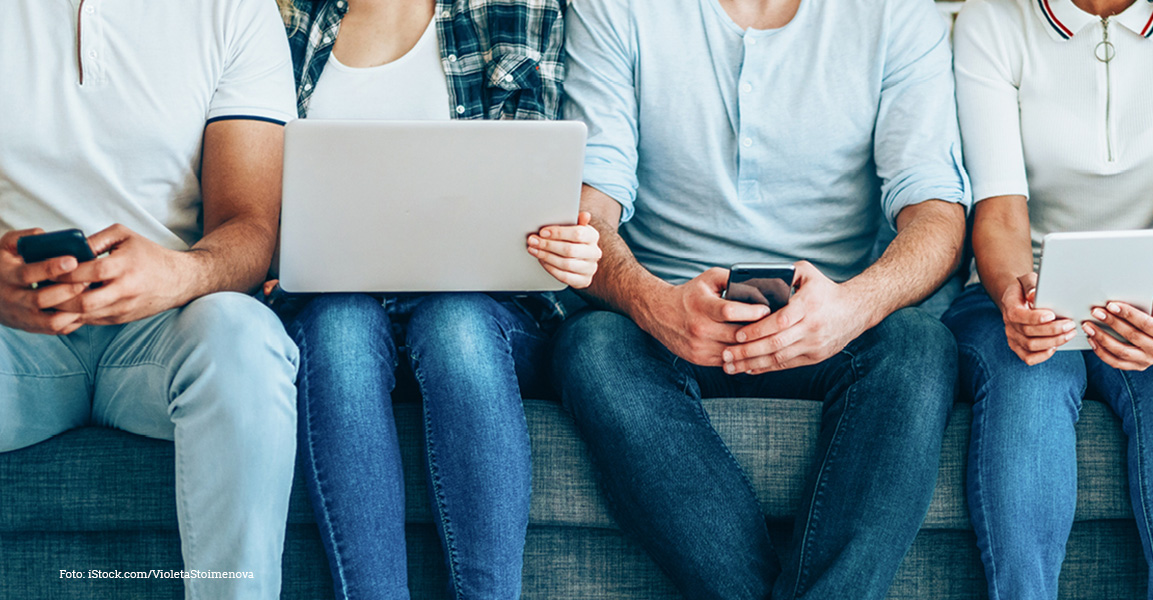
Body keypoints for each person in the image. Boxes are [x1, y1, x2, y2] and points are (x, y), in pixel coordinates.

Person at [551, 0, 972, 598]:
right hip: (671, 317)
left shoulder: (896, 11)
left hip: (834, 323)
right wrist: (654, 302)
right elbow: (589, 206)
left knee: (919, 343)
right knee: (590, 344)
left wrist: (852, 306)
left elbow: (937, 212)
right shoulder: (615, 8)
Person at [276, 0, 599, 598]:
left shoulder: (516, 9)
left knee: (454, 321)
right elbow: (259, 186)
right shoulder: (293, 19)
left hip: (486, 309)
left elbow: (536, 183)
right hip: (332, 303)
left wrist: (569, 243)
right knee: (339, 329)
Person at [0, 0, 300, 598]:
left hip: (165, 334)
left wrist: (178, 275)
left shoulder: (236, 11)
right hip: (14, 340)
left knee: (244, 334)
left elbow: (250, 226)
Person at [944, 0, 1153, 598]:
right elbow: (1000, 206)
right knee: (1025, 396)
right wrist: (1016, 298)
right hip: (1016, 293)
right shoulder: (992, 21)